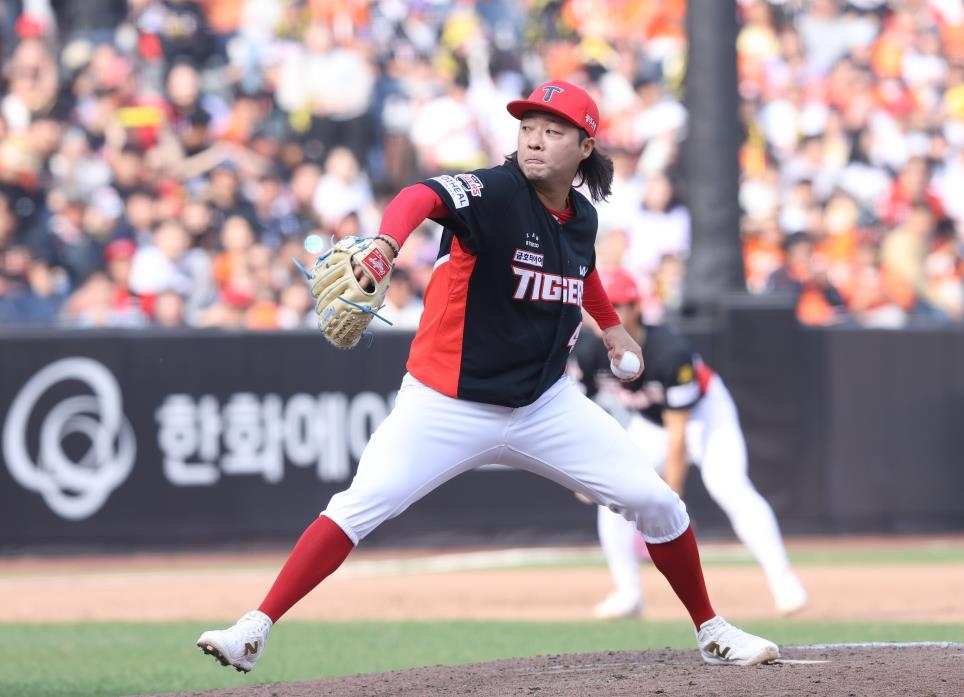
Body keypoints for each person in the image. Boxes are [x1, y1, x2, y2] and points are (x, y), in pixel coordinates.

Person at [195, 80, 780, 673]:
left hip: (544, 405)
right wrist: (386, 245)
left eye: (552, 131)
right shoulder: (495, 192)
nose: (535, 140)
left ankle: (712, 631)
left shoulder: (581, 218)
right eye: (528, 128)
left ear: (585, 147)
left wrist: (611, 327)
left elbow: (581, 270)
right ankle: (254, 629)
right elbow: (420, 194)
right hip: (446, 403)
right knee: (358, 506)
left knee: (658, 502)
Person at [572, 267, 807, 619]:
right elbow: (579, 411)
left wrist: (672, 496)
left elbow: (678, 430)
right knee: (613, 495)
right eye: (598, 305)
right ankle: (628, 592)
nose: (605, 313)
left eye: (616, 304)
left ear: (636, 307)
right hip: (652, 422)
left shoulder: (670, 350)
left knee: (729, 487)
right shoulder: (590, 350)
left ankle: (783, 580)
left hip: (705, 416)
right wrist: (583, 472)